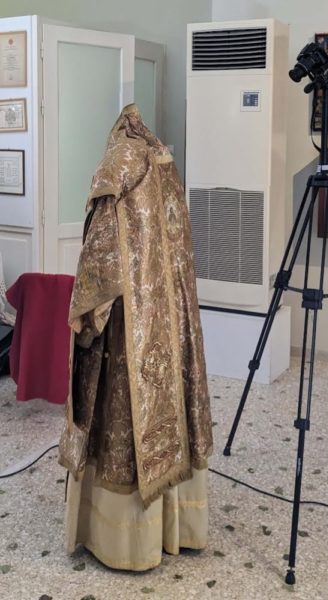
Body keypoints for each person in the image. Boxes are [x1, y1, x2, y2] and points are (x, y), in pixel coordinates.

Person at [58, 104, 213, 571]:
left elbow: (101, 263)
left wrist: (84, 318)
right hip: (171, 315)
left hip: (129, 325)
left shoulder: (117, 166)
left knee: (122, 411)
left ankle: (126, 542)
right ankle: (179, 527)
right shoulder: (164, 161)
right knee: (170, 403)